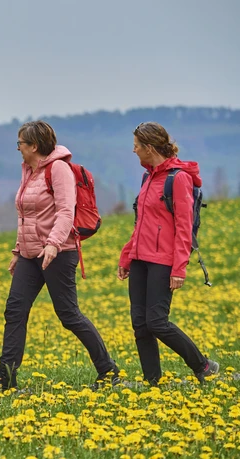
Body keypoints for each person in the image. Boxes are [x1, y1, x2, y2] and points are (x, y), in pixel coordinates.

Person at [0, 120, 119, 392]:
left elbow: (65, 211)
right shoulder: (29, 171)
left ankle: (108, 370)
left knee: (68, 315)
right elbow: (26, 216)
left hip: (58, 253)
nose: (17, 148)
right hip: (30, 255)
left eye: (20, 143)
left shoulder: (58, 169)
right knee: (15, 310)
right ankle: (5, 377)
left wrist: (53, 243)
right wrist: (18, 250)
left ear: (34, 146)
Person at [118, 121, 219, 386]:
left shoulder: (178, 178)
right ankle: (152, 381)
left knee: (157, 322)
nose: (134, 150)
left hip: (162, 261)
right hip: (139, 259)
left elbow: (184, 227)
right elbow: (141, 222)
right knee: (140, 324)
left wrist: (179, 268)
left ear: (149, 148)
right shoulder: (148, 177)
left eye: (137, 146)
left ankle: (203, 365)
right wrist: (127, 256)